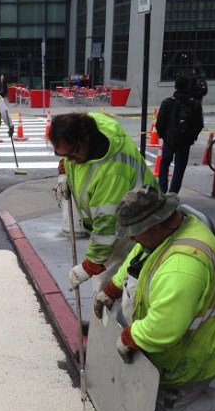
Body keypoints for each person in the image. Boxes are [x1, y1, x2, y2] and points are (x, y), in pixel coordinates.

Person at [94, 186, 215, 411]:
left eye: (135, 232)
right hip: (180, 342)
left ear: (155, 225)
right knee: (140, 393)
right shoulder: (166, 231)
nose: (132, 238)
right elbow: (139, 255)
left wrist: (130, 337)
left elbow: (161, 329)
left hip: (196, 350)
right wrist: (113, 287)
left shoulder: (182, 266)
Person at [48, 112, 159, 293]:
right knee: (109, 284)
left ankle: (114, 319)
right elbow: (71, 154)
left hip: (133, 227)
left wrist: (90, 264)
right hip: (122, 221)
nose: (70, 160)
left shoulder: (111, 173)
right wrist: (65, 168)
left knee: (110, 286)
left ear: (85, 139)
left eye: (72, 153)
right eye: (61, 154)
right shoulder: (89, 124)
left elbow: (107, 225)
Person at [155, 76, 204, 194]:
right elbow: (199, 124)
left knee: (164, 163)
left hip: (170, 138)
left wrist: (163, 135)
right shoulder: (195, 104)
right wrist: (192, 136)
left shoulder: (167, 103)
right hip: (185, 140)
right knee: (179, 167)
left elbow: (160, 123)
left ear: (175, 86)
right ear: (188, 87)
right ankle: (173, 192)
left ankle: (162, 189)